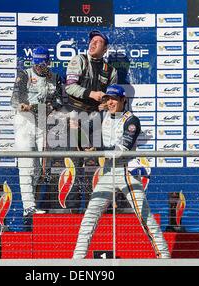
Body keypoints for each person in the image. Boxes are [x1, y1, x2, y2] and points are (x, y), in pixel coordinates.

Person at [72, 84, 170, 259]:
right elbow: (85, 134)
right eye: (108, 99)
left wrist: (97, 150)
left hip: (126, 171)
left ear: (123, 100)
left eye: (114, 99)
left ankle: (165, 259)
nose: (110, 102)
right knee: (89, 217)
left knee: (145, 218)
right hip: (108, 171)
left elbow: (121, 149)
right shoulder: (102, 116)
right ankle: (76, 261)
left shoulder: (132, 120)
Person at [58, 30, 118, 211]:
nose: (93, 44)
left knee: (95, 164)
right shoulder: (79, 60)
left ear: (105, 48)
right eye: (92, 40)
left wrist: (106, 104)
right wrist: (91, 94)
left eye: (98, 42)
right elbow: (70, 88)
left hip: (97, 121)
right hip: (75, 117)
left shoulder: (111, 71)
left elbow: (113, 97)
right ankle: (73, 209)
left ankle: (97, 207)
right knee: (74, 164)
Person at [11, 46, 63, 217]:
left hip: (43, 121)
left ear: (48, 62)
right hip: (24, 122)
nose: (39, 67)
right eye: (37, 64)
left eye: (43, 64)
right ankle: (29, 206)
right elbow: (16, 98)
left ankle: (35, 202)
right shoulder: (24, 74)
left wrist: (39, 107)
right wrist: (22, 105)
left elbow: (58, 102)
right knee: (26, 165)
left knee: (42, 165)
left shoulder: (55, 78)